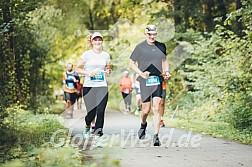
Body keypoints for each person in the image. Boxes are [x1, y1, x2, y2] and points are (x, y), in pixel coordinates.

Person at [129, 25, 171, 146]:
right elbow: (131, 63)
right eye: (149, 34)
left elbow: (164, 61)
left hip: (157, 78)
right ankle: (143, 124)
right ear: (145, 34)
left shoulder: (161, 46)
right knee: (146, 110)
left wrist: (167, 72)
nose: (152, 37)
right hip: (145, 80)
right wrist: (141, 74)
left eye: (154, 34)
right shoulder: (140, 47)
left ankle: (156, 136)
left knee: (157, 108)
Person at [75, 32, 111, 148]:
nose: (97, 42)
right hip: (89, 86)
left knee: (100, 112)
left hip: (102, 86)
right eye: (95, 40)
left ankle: (97, 137)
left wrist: (108, 72)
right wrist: (88, 72)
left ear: (102, 41)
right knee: (91, 113)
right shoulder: (87, 54)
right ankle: (87, 126)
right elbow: (77, 69)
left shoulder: (106, 55)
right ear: (91, 42)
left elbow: (108, 69)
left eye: (99, 39)